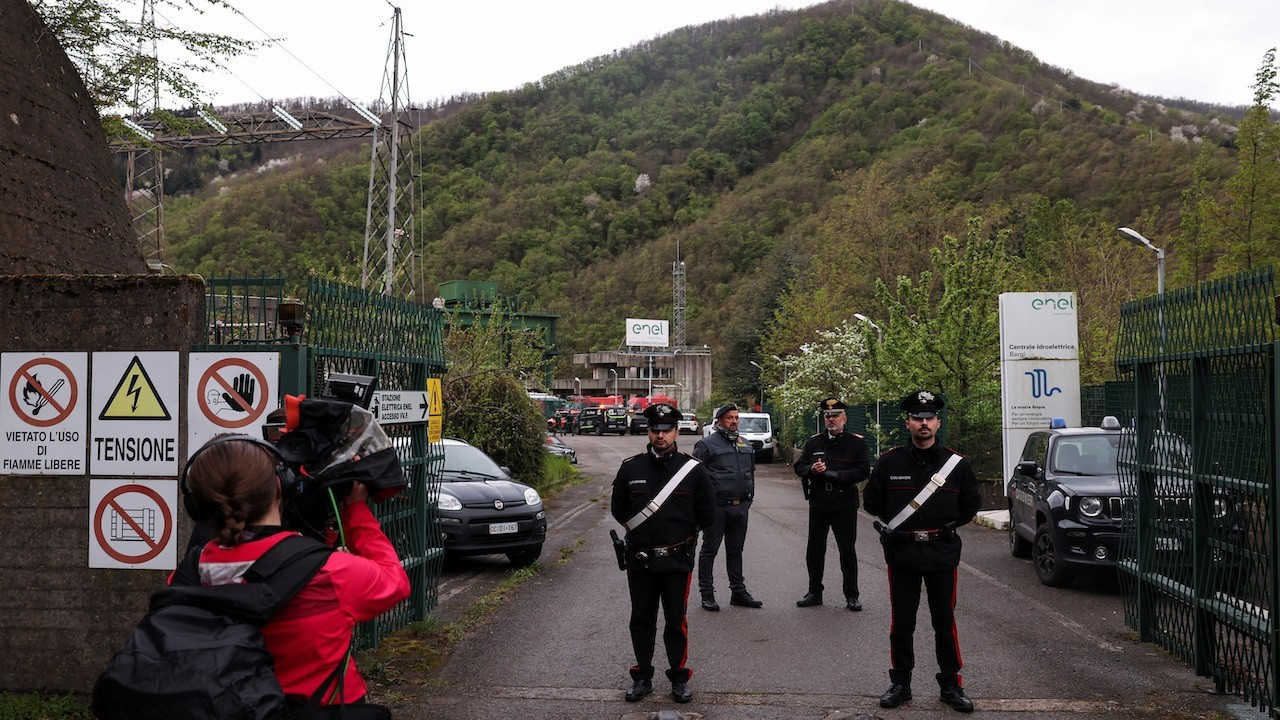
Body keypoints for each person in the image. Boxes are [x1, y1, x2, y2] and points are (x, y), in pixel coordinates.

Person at [177, 434, 411, 709]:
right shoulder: (331, 573)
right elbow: (395, 581)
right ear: (281, 486)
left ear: (198, 503)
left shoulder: (188, 575)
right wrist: (354, 510)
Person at [863, 391, 982, 713]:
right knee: (902, 623)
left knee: (944, 622)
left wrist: (945, 525)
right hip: (902, 554)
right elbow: (871, 503)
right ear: (908, 423)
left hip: (942, 553)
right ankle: (900, 684)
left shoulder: (956, 465)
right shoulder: (890, 462)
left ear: (938, 422)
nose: (924, 423)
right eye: (918, 418)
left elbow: (971, 505)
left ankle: (951, 686)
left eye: (929, 417)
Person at [611, 403, 715, 704]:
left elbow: (707, 514)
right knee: (641, 619)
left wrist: (679, 537)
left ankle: (679, 678)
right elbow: (619, 509)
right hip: (640, 560)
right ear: (648, 431)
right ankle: (642, 676)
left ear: (676, 432)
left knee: (675, 621)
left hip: (676, 559)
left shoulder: (693, 471)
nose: (660, 435)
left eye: (666, 430)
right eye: (655, 430)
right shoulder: (631, 468)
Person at [792, 397, 870, 611]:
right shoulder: (815, 442)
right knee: (815, 549)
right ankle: (814, 592)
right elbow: (799, 466)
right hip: (819, 502)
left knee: (847, 550)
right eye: (827, 416)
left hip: (844, 502)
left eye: (835, 416)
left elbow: (863, 471)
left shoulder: (856, 442)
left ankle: (852, 595)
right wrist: (811, 470)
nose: (831, 419)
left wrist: (835, 475)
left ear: (844, 418)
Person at [692, 402, 763, 611]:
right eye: (729, 418)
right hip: (717, 509)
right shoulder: (706, 445)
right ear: (720, 420)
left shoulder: (744, 443)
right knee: (709, 551)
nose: (734, 421)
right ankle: (707, 594)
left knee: (736, 551)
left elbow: (750, 472)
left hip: (740, 507)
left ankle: (738, 592)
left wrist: (748, 500)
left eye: (736, 417)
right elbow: (695, 478)